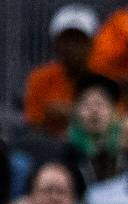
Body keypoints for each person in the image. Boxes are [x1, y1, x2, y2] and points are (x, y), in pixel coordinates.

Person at [23, 4, 99, 137]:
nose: (73, 46)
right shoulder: (39, 78)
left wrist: (71, 112)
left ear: (92, 43)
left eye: (79, 40)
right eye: (67, 40)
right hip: (50, 146)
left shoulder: (108, 79)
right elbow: (33, 125)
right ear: (56, 43)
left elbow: (117, 125)